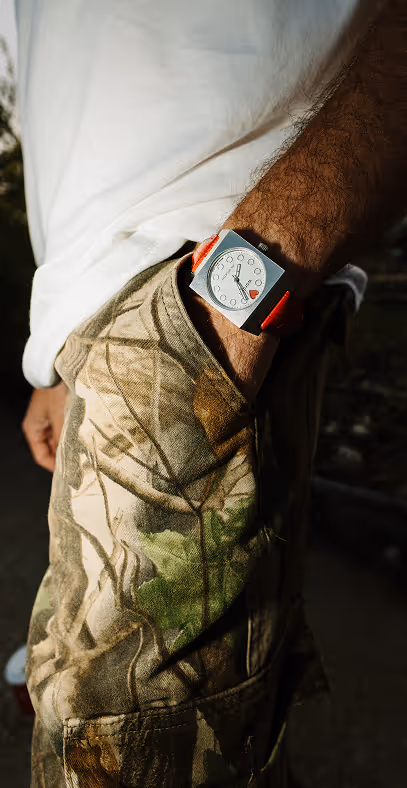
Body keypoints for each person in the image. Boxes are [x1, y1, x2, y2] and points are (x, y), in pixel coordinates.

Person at [17, 0, 406, 785]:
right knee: (200, 737)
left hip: (212, 283)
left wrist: (243, 287)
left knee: (120, 751)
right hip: (134, 320)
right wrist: (57, 355)